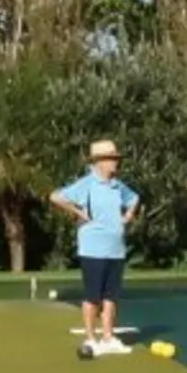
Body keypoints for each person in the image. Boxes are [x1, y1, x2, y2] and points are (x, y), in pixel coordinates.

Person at [49, 137, 138, 355]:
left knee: (111, 296)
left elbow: (134, 198)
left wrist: (128, 214)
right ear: (99, 161)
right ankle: (91, 339)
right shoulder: (87, 184)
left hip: (116, 249)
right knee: (93, 296)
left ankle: (108, 337)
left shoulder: (118, 186)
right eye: (110, 159)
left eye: (115, 158)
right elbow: (56, 197)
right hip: (92, 249)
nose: (115, 163)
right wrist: (78, 212)